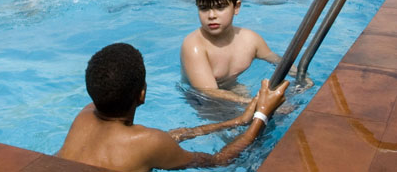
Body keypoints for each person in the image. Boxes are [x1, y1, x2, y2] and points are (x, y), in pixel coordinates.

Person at [56, 43, 289, 172]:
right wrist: (262, 114)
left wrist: (236, 121)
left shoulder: (84, 116)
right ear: (142, 94)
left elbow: (164, 140)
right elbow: (219, 160)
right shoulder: (149, 143)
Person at [181, 0, 296, 104]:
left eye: (220, 7)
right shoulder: (194, 45)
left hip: (235, 90)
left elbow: (278, 61)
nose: (211, 15)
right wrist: (253, 102)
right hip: (202, 101)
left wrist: (301, 77)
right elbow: (208, 92)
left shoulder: (250, 40)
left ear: (236, 7)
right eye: (204, 8)